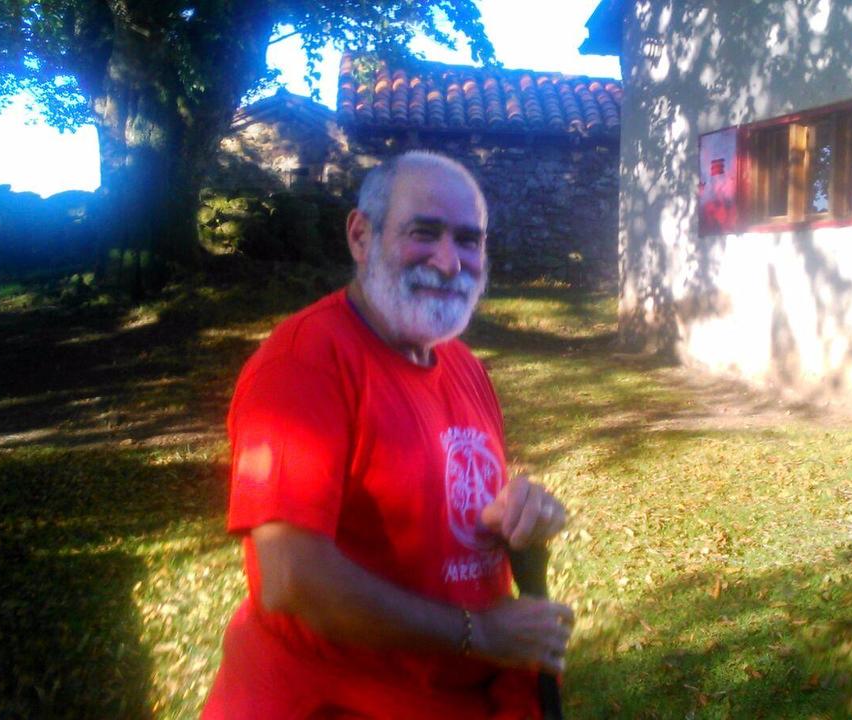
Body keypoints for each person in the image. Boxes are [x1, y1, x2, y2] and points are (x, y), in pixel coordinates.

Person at [201, 151, 574, 719]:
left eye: (469, 240)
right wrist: (479, 633)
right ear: (360, 236)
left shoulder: (462, 365)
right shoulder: (304, 363)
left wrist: (522, 518)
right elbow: (293, 580)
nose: (449, 262)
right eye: (424, 233)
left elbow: (451, 509)